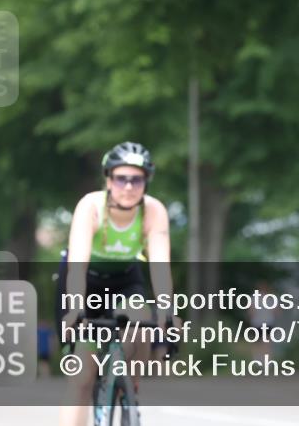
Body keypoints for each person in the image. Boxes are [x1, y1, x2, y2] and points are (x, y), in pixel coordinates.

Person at [57, 142, 176, 426]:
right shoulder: (91, 206)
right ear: (109, 180)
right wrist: (75, 309)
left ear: (146, 182)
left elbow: (160, 268)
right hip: (84, 282)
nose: (128, 186)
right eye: (121, 178)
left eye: (137, 179)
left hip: (125, 279)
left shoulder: (153, 211)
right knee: (82, 378)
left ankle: (128, 391)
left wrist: (168, 313)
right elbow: (77, 266)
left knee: (142, 318)